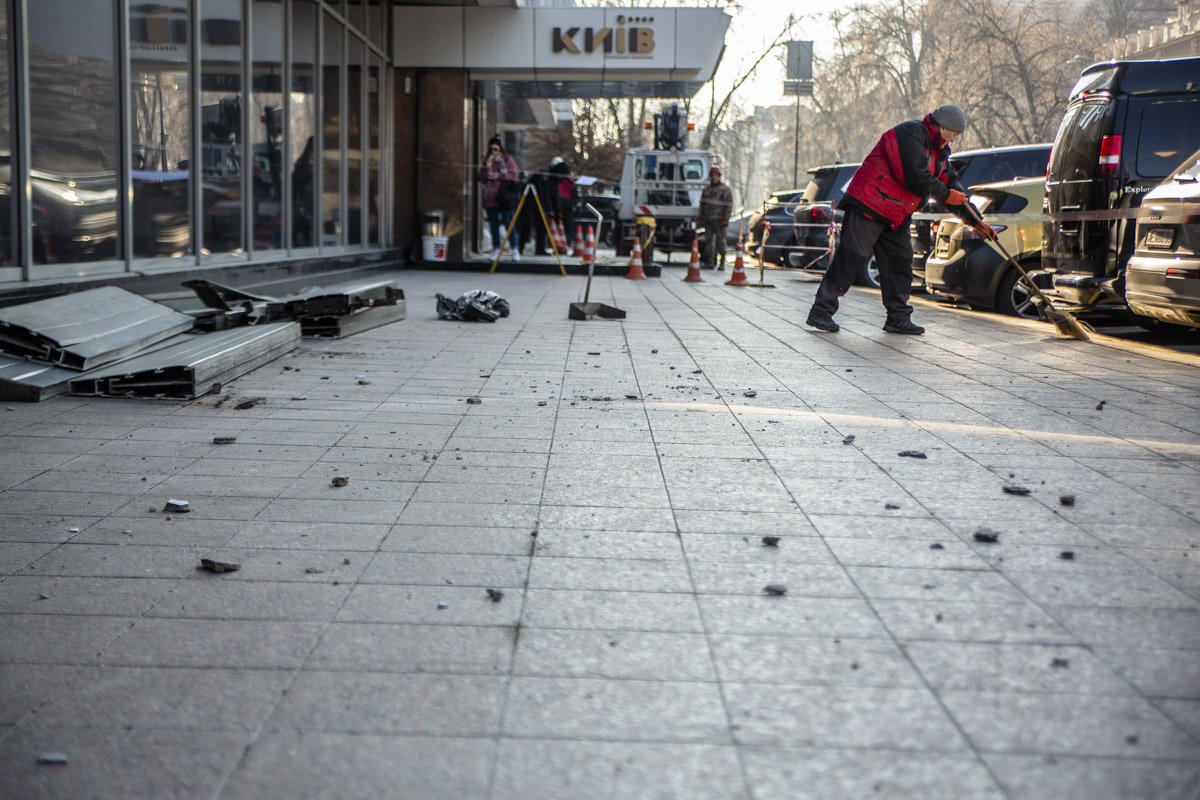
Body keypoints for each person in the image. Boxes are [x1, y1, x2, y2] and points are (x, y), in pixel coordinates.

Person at [805, 104, 994, 334]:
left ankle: (898, 318)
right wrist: (946, 195)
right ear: (942, 126)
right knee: (851, 258)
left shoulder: (940, 153)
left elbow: (952, 188)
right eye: (953, 133)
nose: (954, 139)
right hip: (870, 203)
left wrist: (976, 221)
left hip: (896, 214)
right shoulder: (910, 133)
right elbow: (915, 176)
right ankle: (821, 312)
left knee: (900, 263)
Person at [479, 135, 521, 261]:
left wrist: (498, 175)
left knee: (508, 222)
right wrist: (487, 166)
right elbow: (481, 178)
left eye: (496, 149)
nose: (493, 152)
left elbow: (513, 176)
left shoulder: (508, 160)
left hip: (504, 197)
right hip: (490, 198)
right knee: (493, 224)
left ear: (500, 149)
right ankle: (496, 248)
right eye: (491, 149)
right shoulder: (488, 161)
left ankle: (515, 248)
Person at [697, 165, 733, 270]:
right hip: (707, 220)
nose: (714, 177)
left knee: (721, 242)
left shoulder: (725, 190)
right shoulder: (706, 190)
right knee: (708, 242)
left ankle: (722, 263)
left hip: (720, 220)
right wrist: (699, 217)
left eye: (716, 175)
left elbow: (728, 205)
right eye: (712, 175)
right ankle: (711, 262)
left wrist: (726, 218)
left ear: (719, 176)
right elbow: (702, 204)